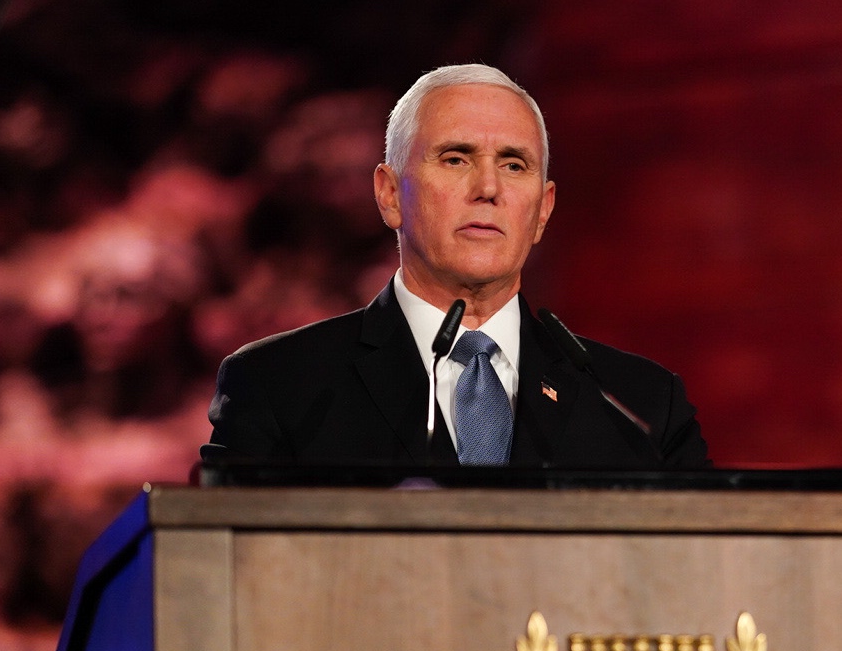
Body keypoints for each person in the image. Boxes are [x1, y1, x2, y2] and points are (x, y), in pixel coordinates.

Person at [200, 64, 709, 467]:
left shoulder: (639, 406)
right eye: (456, 158)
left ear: (543, 210)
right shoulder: (280, 387)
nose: (488, 189)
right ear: (389, 193)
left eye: (514, 165)